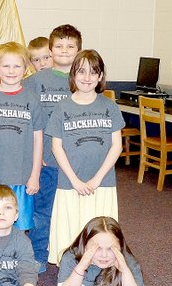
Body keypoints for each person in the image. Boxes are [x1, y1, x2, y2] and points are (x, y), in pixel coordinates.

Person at [46, 50, 124, 265]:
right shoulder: (62, 107)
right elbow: (56, 146)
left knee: (102, 229)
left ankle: (102, 268)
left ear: (100, 77)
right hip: (71, 183)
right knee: (71, 228)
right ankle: (71, 270)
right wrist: (75, 181)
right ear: (73, 75)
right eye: (81, 71)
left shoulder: (109, 106)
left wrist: (97, 179)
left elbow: (117, 146)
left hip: (103, 183)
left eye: (93, 72)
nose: (87, 78)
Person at [26, 25, 82, 271]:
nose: (64, 51)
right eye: (58, 46)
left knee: (74, 212)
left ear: (79, 50)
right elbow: (26, 121)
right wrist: (34, 158)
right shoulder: (35, 82)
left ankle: (74, 257)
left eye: (70, 46)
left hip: (76, 164)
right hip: (46, 162)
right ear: (50, 49)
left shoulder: (83, 80)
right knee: (42, 211)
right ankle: (39, 254)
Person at [0, 42, 46, 232]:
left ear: (25, 69)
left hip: (22, 178)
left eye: (17, 66)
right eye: (6, 66)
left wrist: (35, 176)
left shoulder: (31, 99)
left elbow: (38, 139)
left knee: (19, 228)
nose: (11, 71)